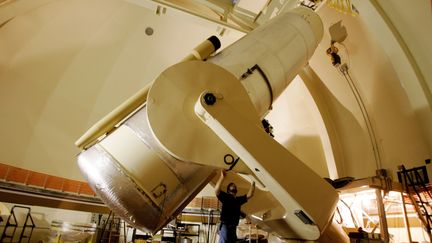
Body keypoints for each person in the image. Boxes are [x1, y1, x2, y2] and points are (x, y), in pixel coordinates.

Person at [215, 170, 255, 243]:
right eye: (231, 185)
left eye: (234, 185)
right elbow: (217, 190)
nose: (233, 185)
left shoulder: (238, 200)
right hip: (225, 225)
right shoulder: (225, 197)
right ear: (228, 190)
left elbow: (250, 194)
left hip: (233, 227)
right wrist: (222, 177)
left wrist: (254, 182)